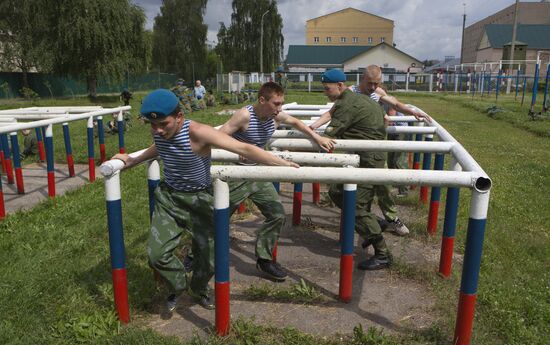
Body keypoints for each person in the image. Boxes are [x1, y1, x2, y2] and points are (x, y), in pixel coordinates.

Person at [112, 89, 299, 312]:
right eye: (153, 125)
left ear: (179, 117)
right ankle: (178, 285)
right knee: (156, 255)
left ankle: (199, 289)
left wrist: (281, 163)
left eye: (163, 124)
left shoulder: (199, 132)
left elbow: (243, 147)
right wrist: (133, 160)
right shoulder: (160, 130)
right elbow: (159, 147)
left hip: (200, 200)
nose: (158, 130)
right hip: (169, 199)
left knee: (210, 258)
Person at [218, 81, 335, 281]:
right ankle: (195, 257)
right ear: (262, 100)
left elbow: (296, 122)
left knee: (277, 215)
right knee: (217, 221)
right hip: (237, 175)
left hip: (258, 173)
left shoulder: (274, 115)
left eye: (281, 104)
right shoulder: (244, 116)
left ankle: (264, 259)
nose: (280, 109)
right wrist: (236, 151)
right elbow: (217, 136)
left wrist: (317, 138)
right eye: (276, 104)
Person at [310, 65, 415, 236]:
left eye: (376, 83)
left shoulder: (378, 92)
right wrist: (313, 127)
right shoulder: (350, 92)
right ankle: (367, 219)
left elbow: (394, 103)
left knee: (382, 184)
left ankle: (391, 218)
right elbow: (332, 113)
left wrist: (411, 112)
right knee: (356, 186)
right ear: (362, 80)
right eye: (370, 83)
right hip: (355, 144)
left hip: (374, 144)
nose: (373, 87)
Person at [316, 69, 392, 270]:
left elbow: (328, 138)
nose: (325, 92)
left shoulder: (347, 104)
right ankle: (375, 223)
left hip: (369, 161)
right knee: (336, 191)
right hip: (365, 157)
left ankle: (383, 253)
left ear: (340, 86)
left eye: (327, 88)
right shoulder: (358, 99)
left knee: (356, 207)